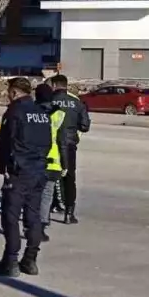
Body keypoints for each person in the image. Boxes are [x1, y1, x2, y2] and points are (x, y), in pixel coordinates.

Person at [0, 77, 52, 277]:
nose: (8, 95)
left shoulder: (15, 111)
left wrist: (3, 167)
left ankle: (11, 261)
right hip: (39, 170)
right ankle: (31, 260)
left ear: (14, 92)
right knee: (33, 217)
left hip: (18, 172)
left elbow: (5, 142)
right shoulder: (42, 113)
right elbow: (48, 142)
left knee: (11, 217)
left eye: (9, 92)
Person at [48, 74, 90, 224]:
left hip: (49, 145)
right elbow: (85, 126)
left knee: (49, 177)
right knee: (69, 179)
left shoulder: (47, 101)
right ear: (66, 86)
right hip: (69, 144)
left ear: (53, 86)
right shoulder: (77, 103)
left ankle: (48, 208)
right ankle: (69, 213)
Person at [34, 83, 65, 244]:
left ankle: (31, 225)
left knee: (32, 196)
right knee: (46, 196)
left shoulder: (31, 111)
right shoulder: (58, 114)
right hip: (53, 161)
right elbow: (62, 140)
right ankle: (41, 226)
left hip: (33, 160)